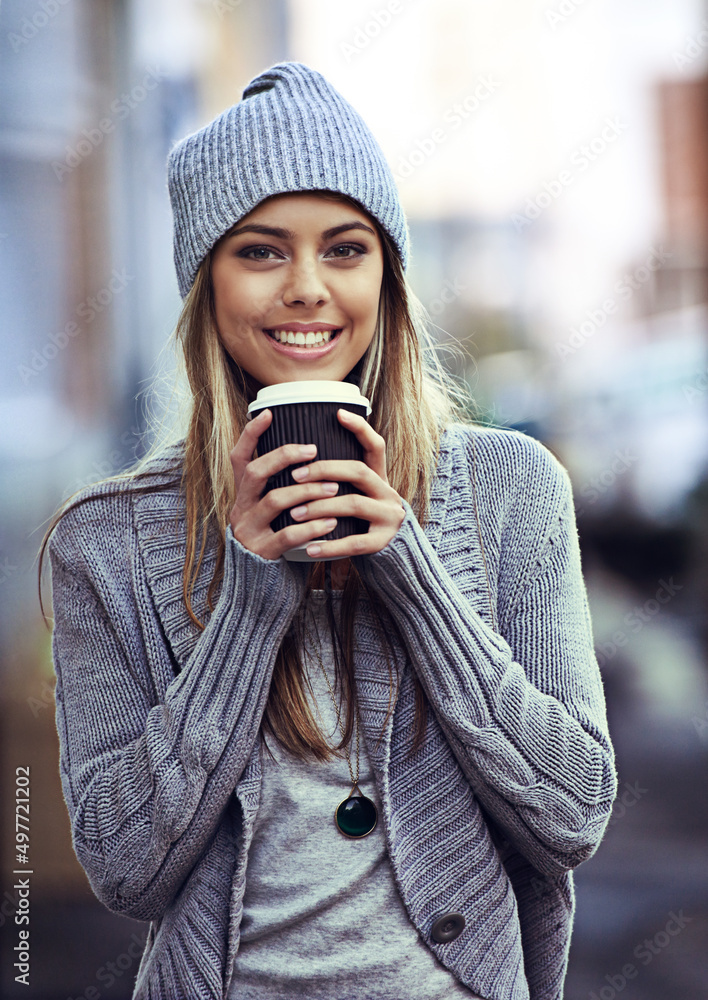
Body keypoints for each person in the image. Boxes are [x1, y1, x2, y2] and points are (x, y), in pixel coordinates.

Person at [43, 61, 617, 1000]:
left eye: (345, 249)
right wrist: (247, 604)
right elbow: (124, 867)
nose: (307, 288)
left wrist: (410, 570)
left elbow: (573, 813)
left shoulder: (513, 491)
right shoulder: (104, 543)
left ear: (387, 275)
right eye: (262, 251)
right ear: (204, 282)